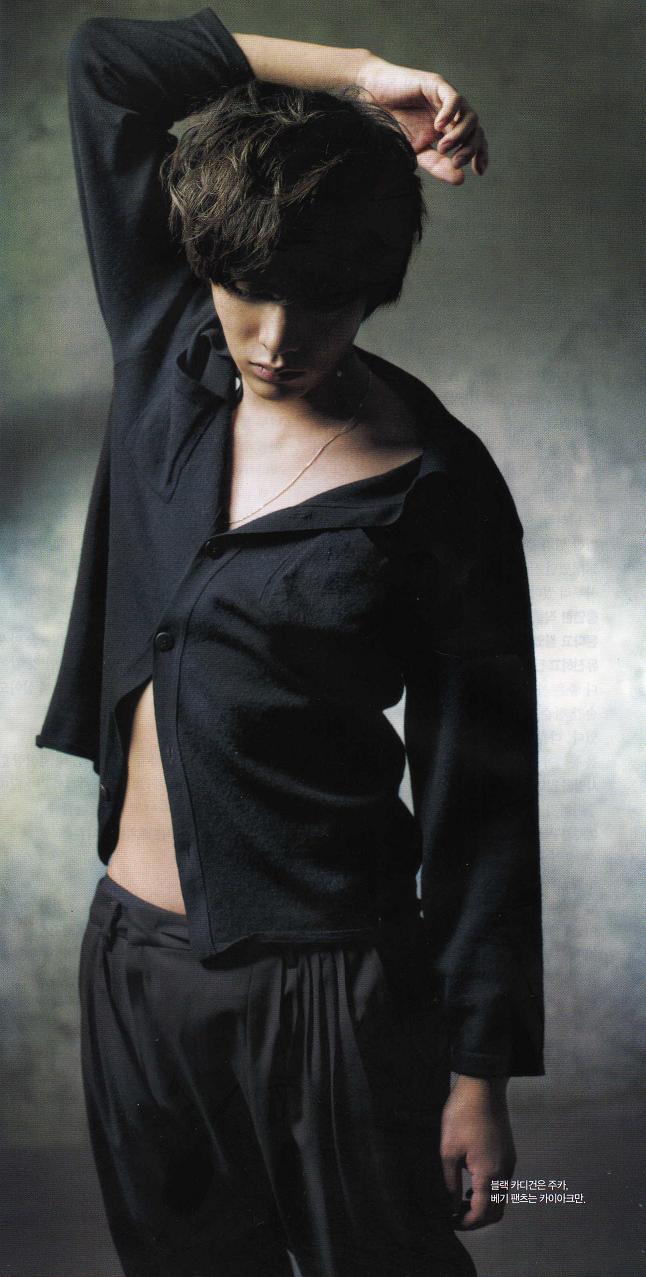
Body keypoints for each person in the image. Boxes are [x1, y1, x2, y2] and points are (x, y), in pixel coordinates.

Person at [36, 9, 544, 1277]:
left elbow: (482, 799)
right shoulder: (169, 348)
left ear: (372, 288)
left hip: (338, 981)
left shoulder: (438, 488)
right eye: (247, 292)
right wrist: (367, 76)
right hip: (136, 958)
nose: (273, 338)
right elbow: (112, 63)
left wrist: (476, 1072)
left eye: (318, 303)